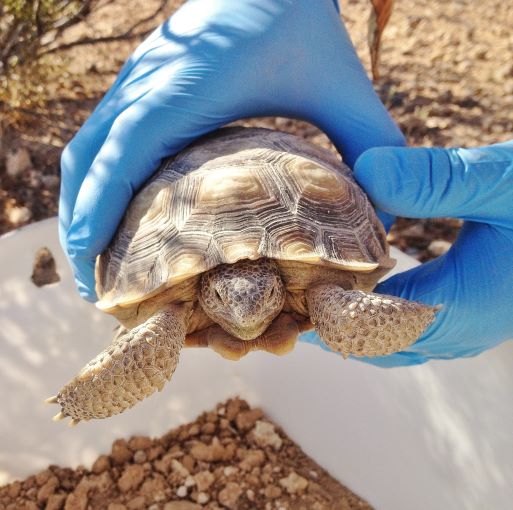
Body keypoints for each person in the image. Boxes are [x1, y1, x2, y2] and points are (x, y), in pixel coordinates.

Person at [59, 0, 513, 367]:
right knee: (143, 352)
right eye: (222, 297)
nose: (246, 317)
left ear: (280, 286)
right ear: (208, 289)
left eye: (267, 296)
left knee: (353, 324)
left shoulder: (314, 285)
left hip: (299, 214)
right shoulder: (175, 308)